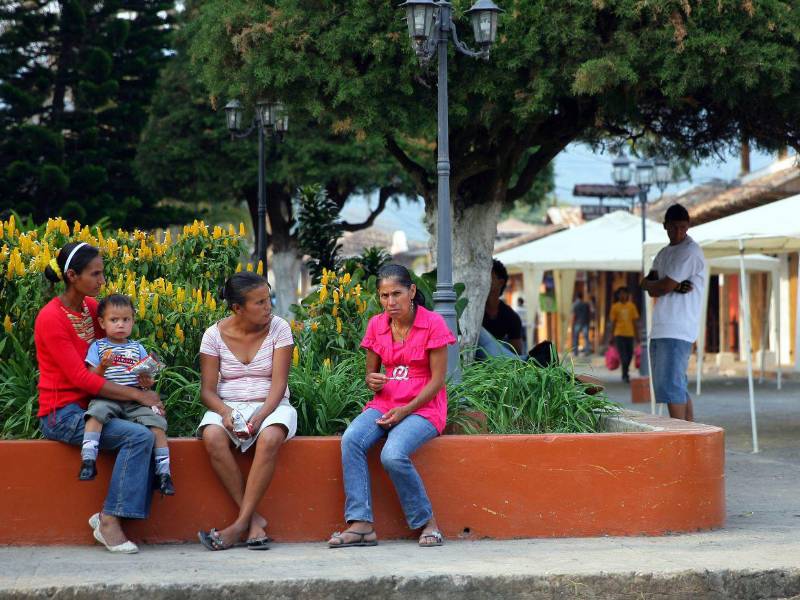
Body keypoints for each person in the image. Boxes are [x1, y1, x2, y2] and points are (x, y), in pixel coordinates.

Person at [35, 242, 164, 554]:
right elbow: (81, 378)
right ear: (71, 275)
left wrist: (143, 380)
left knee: (150, 429)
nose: (102, 280)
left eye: (101, 272)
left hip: (99, 407)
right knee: (136, 438)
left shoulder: (92, 309)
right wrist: (136, 395)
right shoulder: (51, 318)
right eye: (95, 274)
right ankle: (109, 520)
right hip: (62, 413)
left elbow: (115, 355)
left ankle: (111, 517)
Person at [328, 264, 456, 549]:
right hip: (384, 403)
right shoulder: (377, 324)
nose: (390, 302)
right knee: (351, 440)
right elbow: (370, 376)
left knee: (393, 454)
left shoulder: (433, 322)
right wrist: (372, 381)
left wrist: (405, 410)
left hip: (423, 408)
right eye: (384, 296)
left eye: (396, 293)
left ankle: (428, 523)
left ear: (411, 291)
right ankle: (361, 524)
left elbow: (437, 382)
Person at [196, 272, 296, 551]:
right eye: (260, 302)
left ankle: (239, 525)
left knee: (271, 437)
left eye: (268, 299)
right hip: (229, 404)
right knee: (213, 436)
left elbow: (279, 386)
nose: (268, 307)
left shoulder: (279, 328)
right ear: (237, 308)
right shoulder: (213, 335)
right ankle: (252, 521)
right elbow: (207, 392)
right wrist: (226, 413)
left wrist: (261, 416)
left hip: (272, 405)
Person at [79, 293, 175, 497]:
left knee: (157, 426)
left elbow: (146, 378)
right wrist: (103, 367)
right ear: (102, 323)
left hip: (134, 401)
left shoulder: (137, 347)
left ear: (133, 320)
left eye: (126, 320)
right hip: (107, 398)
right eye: (114, 320)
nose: (120, 325)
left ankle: (164, 473)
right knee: (95, 414)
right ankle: (88, 460)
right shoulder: (98, 347)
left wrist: (147, 381)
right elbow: (91, 377)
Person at [641, 203, 705, 422]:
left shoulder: (689, 251)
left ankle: (680, 436)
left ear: (688, 227)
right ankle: (690, 435)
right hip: (662, 327)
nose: (679, 232)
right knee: (674, 385)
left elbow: (661, 286)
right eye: (674, 227)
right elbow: (648, 285)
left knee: (671, 386)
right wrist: (669, 285)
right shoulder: (663, 253)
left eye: (683, 227)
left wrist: (664, 285)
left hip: (678, 328)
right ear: (665, 226)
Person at [480, 259, 523, 356]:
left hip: (501, 366)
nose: (483, 279)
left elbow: (516, 354)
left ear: (500, 282)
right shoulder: (474, 314)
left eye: (488, 275)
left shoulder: (511, 318)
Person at [607, 287, 639, 383]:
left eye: (624, 293)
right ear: (618, 295)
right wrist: (611, 335)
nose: (622, 295)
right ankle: (625, 374)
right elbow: (613, 323)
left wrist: (637, 336)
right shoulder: (615, 307)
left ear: (627, 295)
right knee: (623, 356)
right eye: (620, 294)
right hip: (619, 334)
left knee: (629, 355)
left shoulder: (632, 306)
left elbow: (634, 322)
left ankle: (625, 371)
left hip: (630, 334)